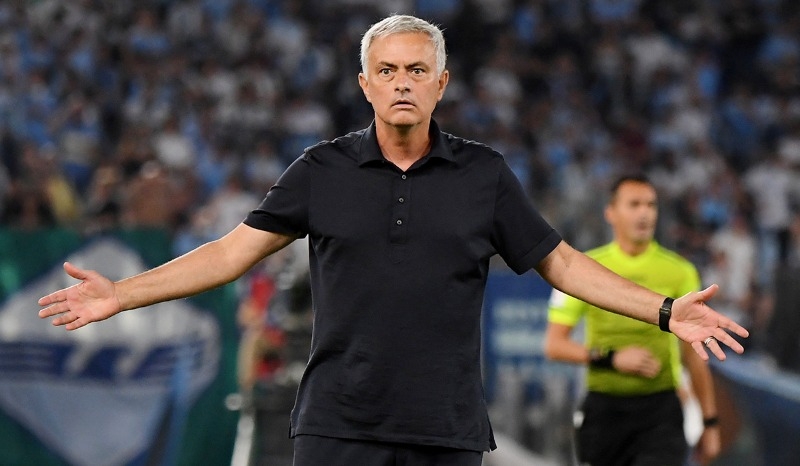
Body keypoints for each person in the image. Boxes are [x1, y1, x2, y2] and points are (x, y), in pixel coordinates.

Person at [38, 15, 748, 466]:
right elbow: (229, 253)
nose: (401, 83)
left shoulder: (484, 175)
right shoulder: (320, 170)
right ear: (365, 84)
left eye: (416, 71)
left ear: (441, 84)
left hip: (444, 430)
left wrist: (664, 311)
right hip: (336, 427)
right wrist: (122, 294)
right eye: (387, 71)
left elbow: (561, 264)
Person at [545, 175, 722, 466]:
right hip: (604, 414)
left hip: (661, 412)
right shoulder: (584, 269)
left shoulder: (680, 271)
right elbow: (554, 346)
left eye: (651, 205)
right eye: (634, 204)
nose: (644, 213)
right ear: (610, 212)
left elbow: (693, 355)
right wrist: (612, 359)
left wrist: (710, 422)